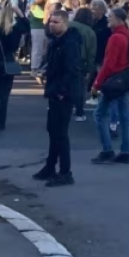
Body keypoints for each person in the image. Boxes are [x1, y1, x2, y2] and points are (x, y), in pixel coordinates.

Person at [32, 11, 81, 187]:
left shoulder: (69, 43)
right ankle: (50, 166)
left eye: (56, 22)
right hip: (54, 90)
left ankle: (65, 171)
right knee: (52, 130)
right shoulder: (56, 42)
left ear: (65, 23)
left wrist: (62, 91)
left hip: (63, 93)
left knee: (60, 132)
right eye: (50, 21)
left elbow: (72, 70)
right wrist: (45, 71)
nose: (52, 24)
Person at [91, 8, 129, 165]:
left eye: (110, 17)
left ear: (118, 19)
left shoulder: (116, 38)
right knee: (124, 117)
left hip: (114, 80)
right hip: (125, 78)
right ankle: (125, 151)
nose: (108, 19)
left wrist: (96, 84)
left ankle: (107, 149)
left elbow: (108, 64)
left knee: (99, 114)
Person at [0, 2, 29, 130]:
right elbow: (26, 26)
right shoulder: (15, 31)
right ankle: (0, 122)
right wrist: (19, 12)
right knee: (3, 94)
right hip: (8, 62)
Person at [70, 8, 97, 123]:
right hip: (80, 61)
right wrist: (89, 69)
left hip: (65, 58)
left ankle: (67, 107)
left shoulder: (68, 25)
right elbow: (92, 53)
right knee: (80, 88)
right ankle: (79, 112)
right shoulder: (90, 32)